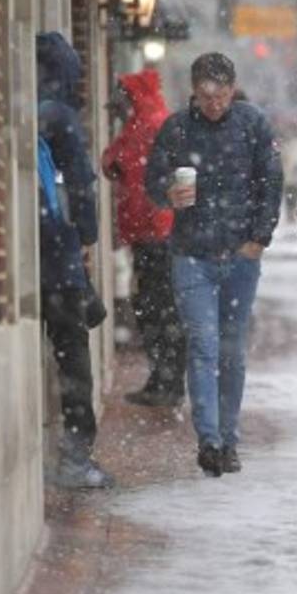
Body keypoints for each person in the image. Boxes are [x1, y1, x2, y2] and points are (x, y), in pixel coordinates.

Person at [145, 53, 283, 477]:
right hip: (192, 255)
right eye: (205, 95)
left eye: (221, 94)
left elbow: (270, 180)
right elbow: (152, 181)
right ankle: (209, 440)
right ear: (193, 90)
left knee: (231, 350)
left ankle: (230, 437)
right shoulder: (177, 128)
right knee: (204, 346)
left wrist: (259, 238)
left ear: (232, 88)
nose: (214, 103)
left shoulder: (252, 124)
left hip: (240, 256)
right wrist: (169, 193)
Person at [36, 31, 113, 490]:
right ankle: (76, 454)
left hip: (40, 252)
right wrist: (86, 234)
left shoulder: (28, 110)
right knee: (73, 355)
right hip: (58, 251)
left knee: (67, 347)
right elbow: (81, 182)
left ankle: (69, 452)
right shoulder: (60, 117)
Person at [101, 68, 186, 408]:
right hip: (155, 232)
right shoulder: (151, 122)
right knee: (160, 308)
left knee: (156, 308)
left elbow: (114, 161)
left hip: (155, 234)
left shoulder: (144, 126)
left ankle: (165, 379)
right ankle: (166, 378)